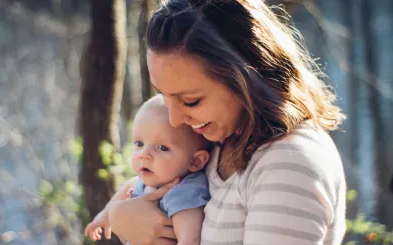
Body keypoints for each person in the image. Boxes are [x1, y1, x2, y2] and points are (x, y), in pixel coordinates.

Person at [107, 0, 347, 245]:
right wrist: (120, 215)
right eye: (164, 96)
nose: (175, 119)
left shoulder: (289, 163)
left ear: (246, 79)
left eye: (191, 101)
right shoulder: (220, 139)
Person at [84, 95, 212, 245]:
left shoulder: (184, 192)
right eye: (139, 143)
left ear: (195, 161)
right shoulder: (148, 181)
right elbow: (129, 186)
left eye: (162, 147)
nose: (144, 154)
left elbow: (190, 239)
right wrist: (104, 216)